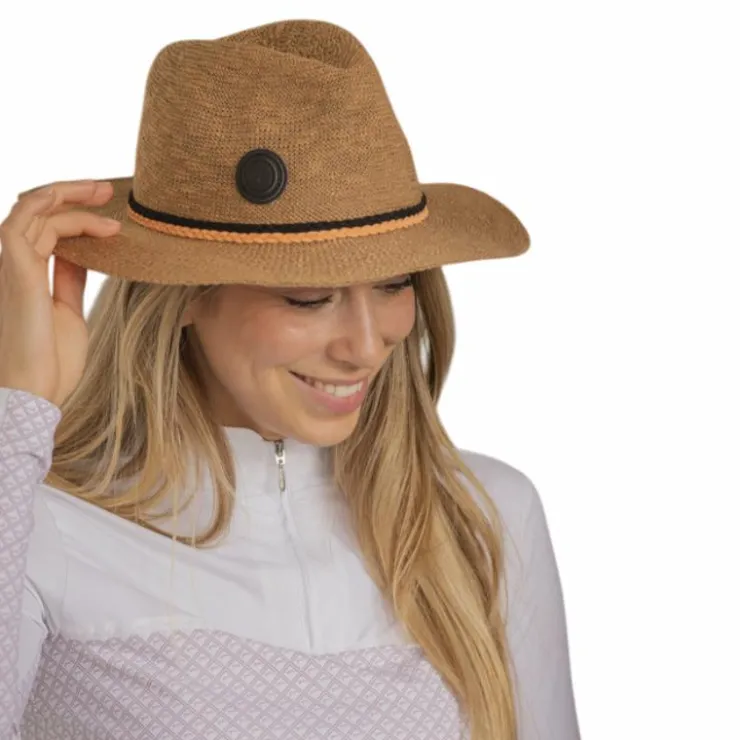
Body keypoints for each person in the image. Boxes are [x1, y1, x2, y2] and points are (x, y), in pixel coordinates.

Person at [0, 18, 580, 740]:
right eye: (309, 298)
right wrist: (18, 410)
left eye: (394, 284)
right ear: (183, 297)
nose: (366, 346)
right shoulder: (40, 523)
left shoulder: (483, 515)